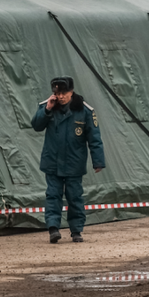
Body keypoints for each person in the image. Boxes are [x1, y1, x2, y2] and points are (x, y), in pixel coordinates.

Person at [31, 76, 104, 244]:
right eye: (57, 93)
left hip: (74, 162)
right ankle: (53, 228)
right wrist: (47, 109)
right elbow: (36, 125)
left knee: (75, 196)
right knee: (53, 195)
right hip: (52, 162)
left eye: (64, 93)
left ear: (71, 92)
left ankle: (76, 230)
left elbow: (94, 138)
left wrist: (98, 161)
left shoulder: (85, 110)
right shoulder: (48, 106)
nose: (60, 96)